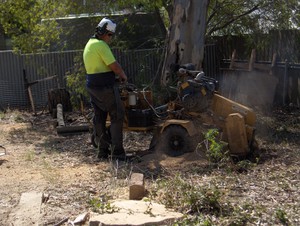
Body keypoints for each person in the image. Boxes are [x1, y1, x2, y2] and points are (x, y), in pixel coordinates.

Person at [83, 17, 128, 160]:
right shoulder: (101, 45)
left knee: (99, 118)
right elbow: (114, 65)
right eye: (110, 35)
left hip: (92, 86)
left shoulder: (89, 44)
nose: (110, 38)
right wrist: (123, 75)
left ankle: (102, 152)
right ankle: (118, 153)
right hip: (105, 87)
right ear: (105, 33)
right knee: (117, 114)